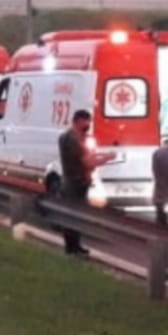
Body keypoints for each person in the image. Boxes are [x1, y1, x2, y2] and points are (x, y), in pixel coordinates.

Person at [57, 109, 115, 256]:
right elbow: (87, 162)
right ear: (78, 121)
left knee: (74, 215)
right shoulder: (72, 140)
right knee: (73, 216)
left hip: (74, 181)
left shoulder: (69, 137)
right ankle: (72, 248)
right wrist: (107, 158)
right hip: (75, 182)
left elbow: (86, 157)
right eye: (87, 122)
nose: (88, 125)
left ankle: (75, 246)